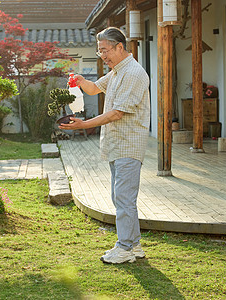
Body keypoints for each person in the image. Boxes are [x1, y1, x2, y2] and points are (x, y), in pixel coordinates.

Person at [59, 27, 150, 264]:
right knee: (121, 197)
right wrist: (79, 81)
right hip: (117, 144)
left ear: (120, 47)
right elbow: (94, 88)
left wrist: (84, 124)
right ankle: (135, 245)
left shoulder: (132, 73)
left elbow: (117, 113)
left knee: (123, 198)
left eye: (105, 51)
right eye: (99, 52)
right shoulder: (117, 72)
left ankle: (125, 248)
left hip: (128, 144)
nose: (103, 56)